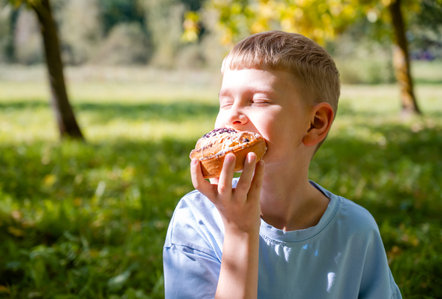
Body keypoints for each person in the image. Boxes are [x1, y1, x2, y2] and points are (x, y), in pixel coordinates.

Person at [163, 30, 402, 299]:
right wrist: (239, 229)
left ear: (316, 123)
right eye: (225, 101)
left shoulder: (356, 230)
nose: (233, 116)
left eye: (259, 101)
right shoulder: (197, 218)